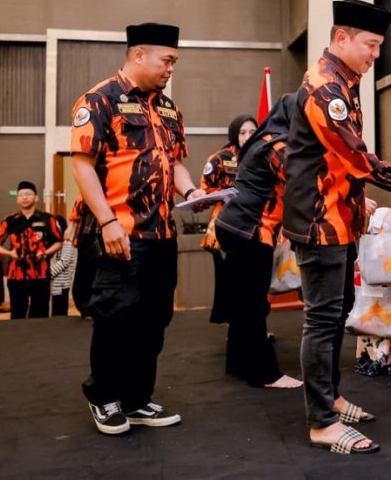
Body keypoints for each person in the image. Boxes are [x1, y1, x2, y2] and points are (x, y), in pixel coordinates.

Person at [282, 0, 391, 455]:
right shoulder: (326, 88)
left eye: (379, 46)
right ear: (342, 38)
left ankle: (331, 397)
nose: (376, 54)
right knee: (321, 321)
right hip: (319, 220)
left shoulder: (345, 82)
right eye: (371, 44)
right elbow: (358, 159)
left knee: (336, 312)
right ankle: (321, 421)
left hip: (338, 217)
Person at [70, 22, 207, 435]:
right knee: (116, 319)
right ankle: (104, 397)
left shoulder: (167, 108)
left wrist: (193, 192)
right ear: (139, 54)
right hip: (120, 233)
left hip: (162, 235)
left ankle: (135, 399)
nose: (171, 69)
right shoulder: (100, 100)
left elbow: (176, 161)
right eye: (167, 60)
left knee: (153, 320)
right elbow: (81, 166)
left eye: (175, 62)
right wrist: (109, 222)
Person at [214, 97, 301, 389]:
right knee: (253, 303)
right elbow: (299, 181)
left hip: (233, 226)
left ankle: (239, 364)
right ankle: (264, 373)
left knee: (242, 302)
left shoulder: (262, 140)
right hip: (251, 230)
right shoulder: (276, 146)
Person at [200, 113, 257, 324]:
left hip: (254, 229)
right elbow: (204, 190)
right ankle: (235, 327)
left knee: (253, 284)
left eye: (252, 132)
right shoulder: (221, 158)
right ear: (235, 134)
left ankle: (252, 326)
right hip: (224, 228)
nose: (247, 136)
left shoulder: (261, 156)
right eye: (242, 132)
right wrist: (226, 193)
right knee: (229, 282)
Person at [0, 181, 63, 319]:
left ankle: (39, 340)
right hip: (16, 275)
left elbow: (59, 242)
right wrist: (9, 253)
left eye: (28, 194)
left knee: (40, 314)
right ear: (17, 199)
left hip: (41, 275)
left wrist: (46, 252)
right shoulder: (10, 220)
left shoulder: (48, 219)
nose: (24, 197)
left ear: (36, 197)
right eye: (21, 194)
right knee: (17, 313)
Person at [49, 216, 77, 317]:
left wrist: (48, 273)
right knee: (55, 313)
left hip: (62, 284)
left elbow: (65, 261)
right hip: (56, 284)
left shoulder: (68, 241)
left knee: (60, 314)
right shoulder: (58, 241)